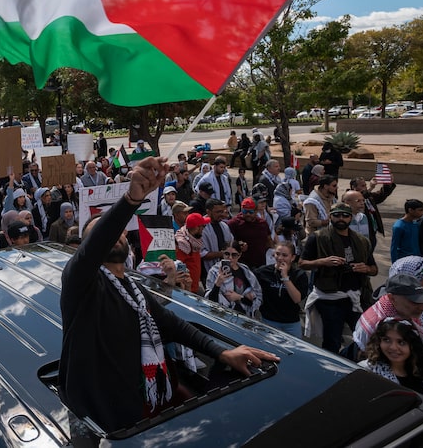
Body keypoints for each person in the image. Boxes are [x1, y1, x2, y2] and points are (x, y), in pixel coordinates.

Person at [58, 156, 278, 434]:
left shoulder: (136, 292)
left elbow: (175, 326)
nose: (116, 236)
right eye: (103, 233)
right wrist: (130, 199)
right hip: (100, 423)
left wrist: (222, 352)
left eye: (121, 233)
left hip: (145, 409)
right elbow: (95, 244)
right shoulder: (81, 283)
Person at [300, 202, 377, 354]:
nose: (341, 219)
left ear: (351, 218)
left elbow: (374, 269)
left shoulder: (361, 241)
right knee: (332, 342)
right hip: (330, 299)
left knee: (364, 338)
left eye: (345, 215)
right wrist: (323, 262)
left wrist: (365, 268)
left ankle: (353, 364)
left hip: (356, 297)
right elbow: (302, 263)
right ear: (330, 217)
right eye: (337, 215)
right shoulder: (318, 238)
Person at [352, 274, 423, 352]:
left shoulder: (402, 310)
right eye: (414, 302)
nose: (422, 307)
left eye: (422, 300)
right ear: (392, 298)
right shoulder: (381, 326)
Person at [254, 241, 308, 337]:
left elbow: (297, 299)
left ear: (292, 257)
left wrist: (285, 277)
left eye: (285, 255)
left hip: (291, 323)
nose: (280, 258)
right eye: (277, 254)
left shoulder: (299, 275)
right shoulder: (263, 272)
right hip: (269, 321)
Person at [360, 319, 423, 395]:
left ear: (413, 346)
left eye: (401, 342)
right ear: (379, 342)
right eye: (387, 340)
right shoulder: (368, 371)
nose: (393, 347)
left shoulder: (421, 371)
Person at [205, 240, 262, 318]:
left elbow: (256, 299)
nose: (230, 258)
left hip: (245, 317)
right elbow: (210, 301)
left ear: (239, 255)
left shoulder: (246, 271)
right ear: (222, 254)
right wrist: (217, 284)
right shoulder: (214, 272)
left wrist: (239, 297)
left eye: (234, 255)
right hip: (222, 316)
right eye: (227, 254)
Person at [391, 199, 423, 263]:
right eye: (420, 210)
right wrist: (394, 264)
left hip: (417, 260)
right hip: (404, 261)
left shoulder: (416, 224)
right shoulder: (399, 226)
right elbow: (394, 247)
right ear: (410, 210)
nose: (422, 213)